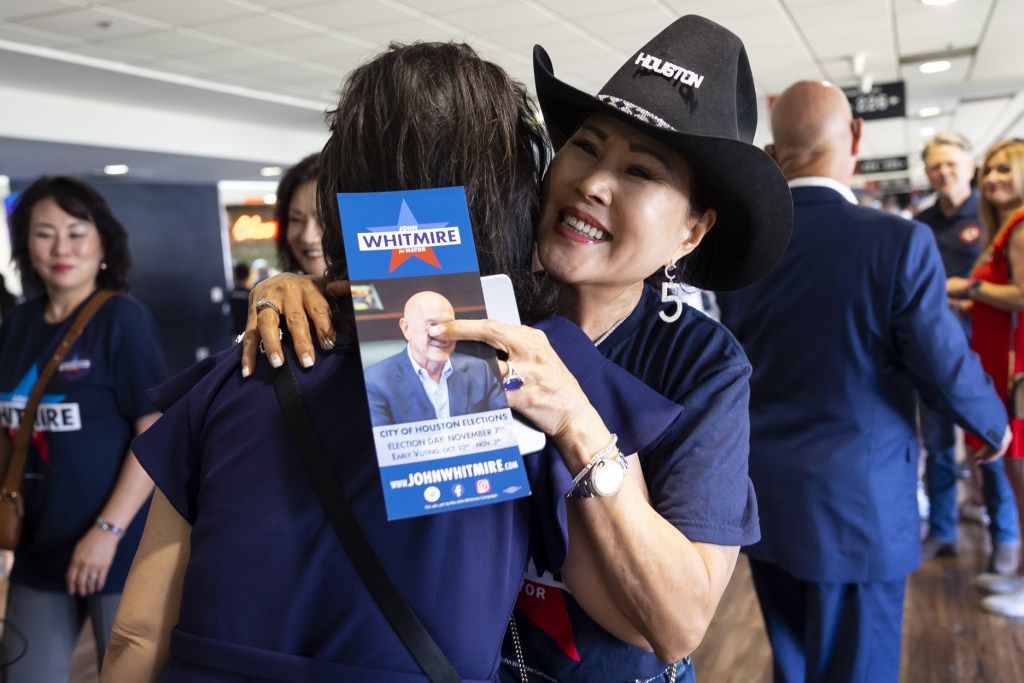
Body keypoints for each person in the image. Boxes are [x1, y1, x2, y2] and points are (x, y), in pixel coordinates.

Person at [103, 41, 686, 682]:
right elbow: (654, 621)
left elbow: (135, 635)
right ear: (513, 193)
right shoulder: (538, 371)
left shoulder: (243, 367)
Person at [241, 16, 793, 683]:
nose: (594, 181)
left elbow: (677, 625)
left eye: (642, 171)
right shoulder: (475, 293)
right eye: (586, 147)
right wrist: (287, 289)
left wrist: (579, 423)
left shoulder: (702, 364)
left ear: (690, 232)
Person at [715, 81, 1010, 683]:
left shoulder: (744, 252)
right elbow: (942, 365)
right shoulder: (897, 241)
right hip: (859, 508)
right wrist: (993, 425)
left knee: (792, 666)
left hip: (766, 501)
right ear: (855, 137)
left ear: (774, 156)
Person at [0, 176, 165, 681]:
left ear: (102, 242)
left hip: (117, 551)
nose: (60, 248)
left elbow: (154, 431)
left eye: (76, 232)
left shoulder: (122, 320)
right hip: (37, 549)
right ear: (25, 243)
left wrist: (106, 532)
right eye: (44, 233)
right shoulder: (18, 324)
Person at [917, 132, 1020, 572]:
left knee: (992, 444)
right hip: (933, 349)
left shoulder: (995, 215)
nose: (943, 172)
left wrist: (963, 293)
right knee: (938, 446)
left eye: (951, 164)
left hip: (987, 352)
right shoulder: (921, 222)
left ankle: (1006, 542)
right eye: (935, 165)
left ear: (969, 165)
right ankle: (942, 532)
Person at [947, 139, 1024, 617]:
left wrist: (964, 285)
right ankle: (1017, 575)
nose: (993, 178)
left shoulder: (1019, 226)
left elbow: (1020, 295)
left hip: (1017, 370)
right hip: (1000, 363)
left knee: (1020, 474)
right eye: (989, 170)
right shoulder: (1007, 227)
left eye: (1004, 168)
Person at [365, 291, 504, 426]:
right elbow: (386, 445)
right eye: (432, 325)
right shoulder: (375, 381)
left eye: (449, 326)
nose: (441, 334)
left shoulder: (480, 370)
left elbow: (504, 427)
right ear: (406, 328)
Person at [275, 154, 325, 277]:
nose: (307, 238)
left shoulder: (374, 292)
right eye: (296, 220)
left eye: (324, 220)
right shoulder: (278, 294)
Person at [227, 261, 250, 339]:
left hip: (235, 333)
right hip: (249, 332)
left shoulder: (231, 294)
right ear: (248, 276)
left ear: (235, 276)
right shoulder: (250, 294)